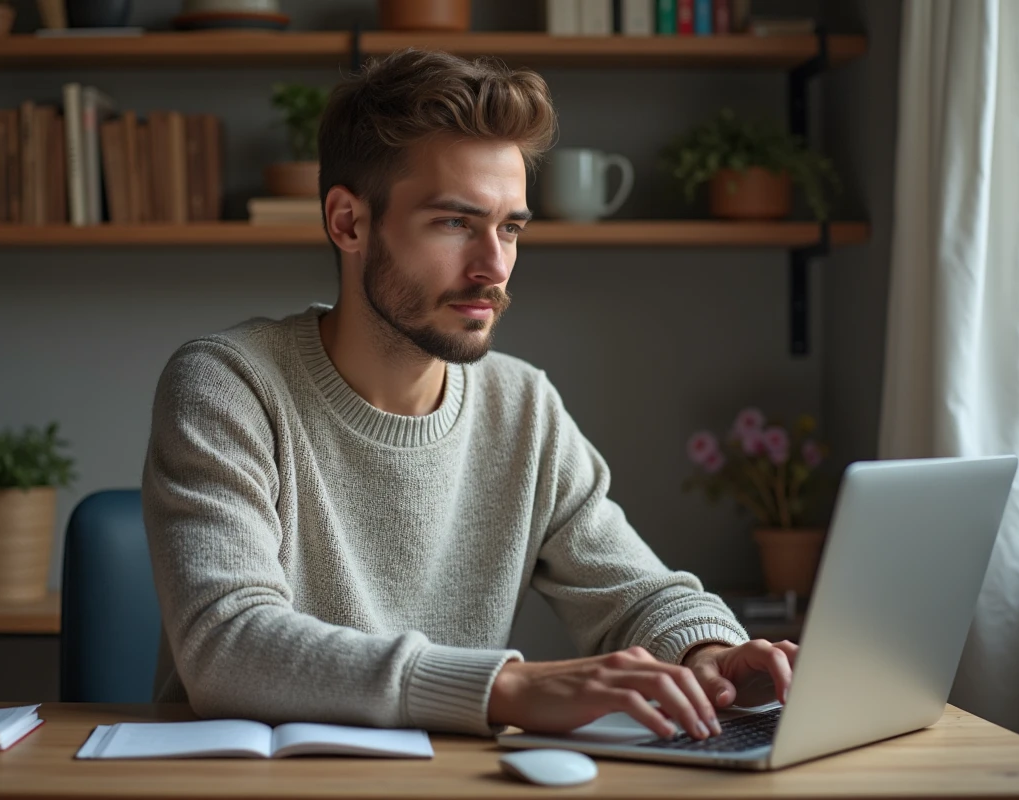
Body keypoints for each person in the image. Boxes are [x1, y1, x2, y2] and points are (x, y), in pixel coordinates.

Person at [141, 47, 798, 742]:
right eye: (455, 223)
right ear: (348, 223)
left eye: (509, 227)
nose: (494, 267)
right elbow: (229, 648)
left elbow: (634, 591)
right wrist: (507, 687)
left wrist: (712, 656)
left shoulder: (522, 408)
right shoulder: (228, 385)